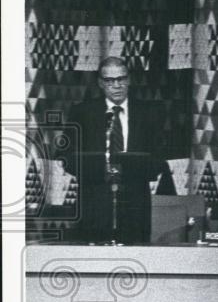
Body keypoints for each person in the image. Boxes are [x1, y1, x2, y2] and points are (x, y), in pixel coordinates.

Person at [63, 57, 166, 244]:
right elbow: (66, 157)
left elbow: (161, 156)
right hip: (94, 200)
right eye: (110, 81)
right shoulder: (82, 112)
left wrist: (134, 169)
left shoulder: (150, 113)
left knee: (136, 258)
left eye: (121, 79)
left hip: (135, 202)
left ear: (129, 80)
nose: (116, 85)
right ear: (101, 83)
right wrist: (97, 169)